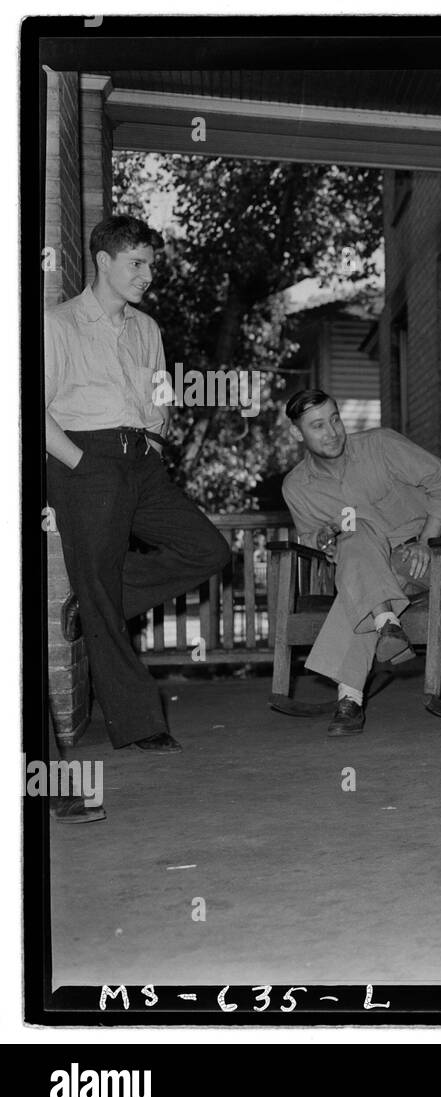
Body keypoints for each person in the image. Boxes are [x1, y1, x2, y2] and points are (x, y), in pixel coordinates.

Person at [44, 215, 230, 754]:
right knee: (100, 588)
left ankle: (96, 600)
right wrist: (81, 462)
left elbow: (158, 393)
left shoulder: (147, 328)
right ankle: (139, 723)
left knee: (210, 550)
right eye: (137, 263)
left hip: (142, 461)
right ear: (103, 261)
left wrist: (155, 439)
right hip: (87, 459)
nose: (148, 275)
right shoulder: (57, 325)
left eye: (151, 264)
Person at [279, 389, 441, 736]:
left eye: (335, 419)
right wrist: (324, 539)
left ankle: (349, 699)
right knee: (356, 533)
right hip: (364, 566)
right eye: (317, 426)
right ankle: (386, 623)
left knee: (357, 585)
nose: (332, 432)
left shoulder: (381, 445)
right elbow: (313, 538)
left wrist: (426, 541)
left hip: (418, 560)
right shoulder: (296, 487)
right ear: (296, 433)